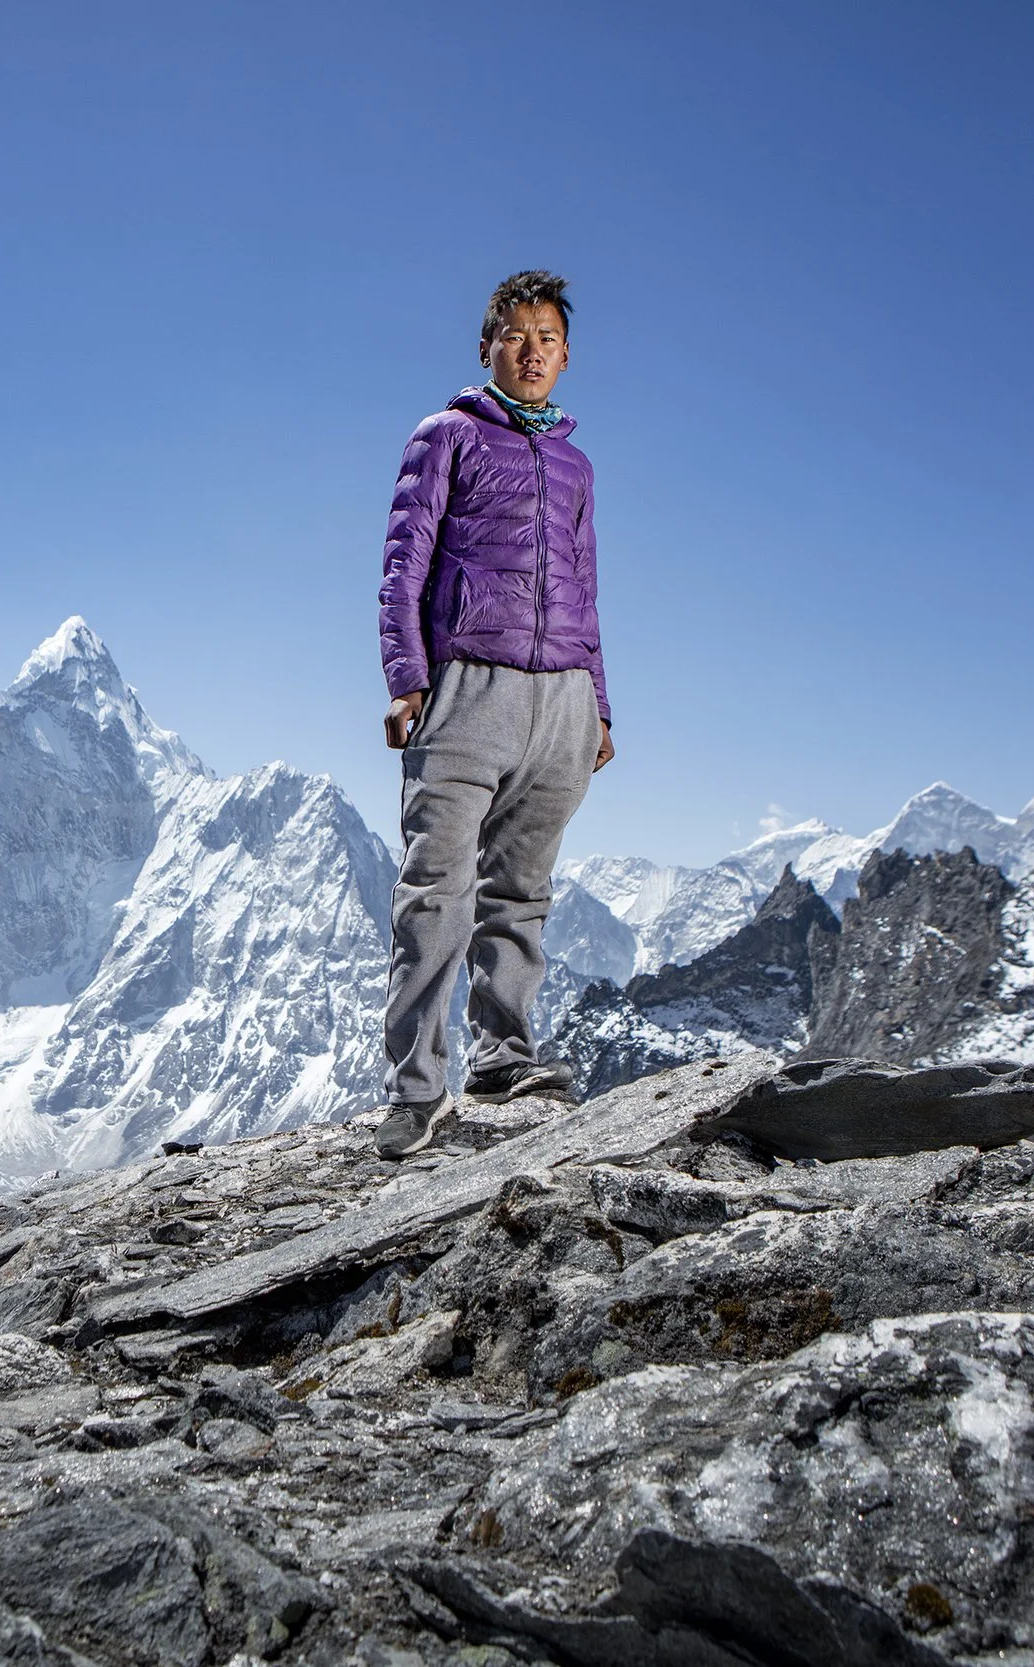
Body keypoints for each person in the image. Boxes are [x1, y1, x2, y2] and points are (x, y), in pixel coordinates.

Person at [373, 269, 614, 1160]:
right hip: (468, 685)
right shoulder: (446, 436)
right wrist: (406, 678)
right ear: (487, 348)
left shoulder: (578, 464)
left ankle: (505, 1060)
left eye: (548, 338)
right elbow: (404, 563)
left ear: (566, 353)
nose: (533, 351)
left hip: (563, 698)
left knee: (523, 891)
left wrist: (600, 704)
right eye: (516, 335)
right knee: (437, 889)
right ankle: (415, 1092)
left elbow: (585, 589)